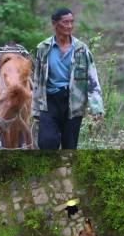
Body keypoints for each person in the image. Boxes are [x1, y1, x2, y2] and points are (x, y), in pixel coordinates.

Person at [32, 8, 104, 149]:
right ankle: (50, 171)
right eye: (65, 22)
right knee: (47, 142)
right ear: (55, 24)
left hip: (73, 103)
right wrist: (35, 109)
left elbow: (92, 79)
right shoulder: (43, 48)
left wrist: (97, 108)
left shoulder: (81, 50)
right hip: (50, 102)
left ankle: (66, 171)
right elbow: (37, 80)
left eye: (72, 22)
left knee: (69, 146)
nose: (70, 26)